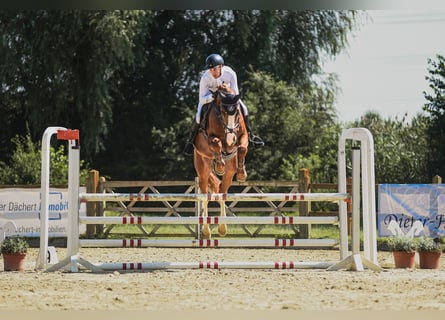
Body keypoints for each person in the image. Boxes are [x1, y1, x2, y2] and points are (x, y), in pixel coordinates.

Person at [183, 53, 264, 156]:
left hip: (228, 97)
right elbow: (202, 99)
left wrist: (226, 93)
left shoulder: (230, 73)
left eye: (214, 69)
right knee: (198, 116)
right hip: (209, 98)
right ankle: (190, 141)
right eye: (210, 69)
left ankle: (251, 136)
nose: (212, 72)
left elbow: (235, 92)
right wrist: (213, 97)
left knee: (244, 108)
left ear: (220, 67)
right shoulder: (205, 78)